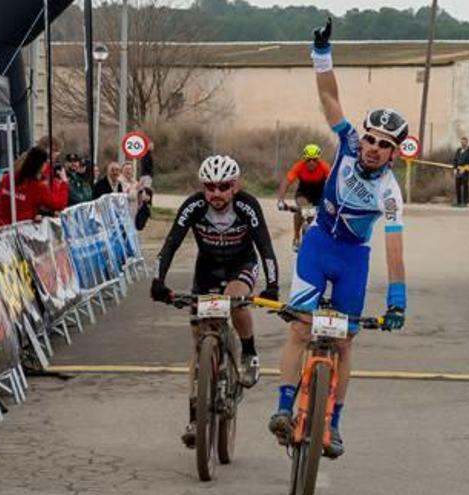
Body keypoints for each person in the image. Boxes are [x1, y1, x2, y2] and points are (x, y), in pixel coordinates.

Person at [268, 18, 407, 459]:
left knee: (345, 342)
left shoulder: (390, 193)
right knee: (299, 327)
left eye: (383, 144)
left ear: (395, 152)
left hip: (352, 258)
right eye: (369, 138)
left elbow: (394, 248)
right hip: (319, 243)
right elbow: (330, 97)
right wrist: (322, 52)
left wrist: (397, 300)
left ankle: (334, 422)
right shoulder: (346, 142)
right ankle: (285, 407)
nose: (371, 147)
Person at [150, 155, 280, 448]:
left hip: (241, 265)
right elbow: (170, 243)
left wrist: (272, 286)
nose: (216, 194)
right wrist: (158, 282)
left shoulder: (247, 206)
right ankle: (196, 416)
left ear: (234, 186)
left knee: (236, 300)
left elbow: (266, 248)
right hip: (206, 268)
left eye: (223, 187)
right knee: (199, 341)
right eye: (210, 187)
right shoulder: (194, 206)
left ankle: (249, 353)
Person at [0, 147, 69, 227]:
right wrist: (64, 182)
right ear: (42, 164)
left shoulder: (7, 178)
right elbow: (59, 204)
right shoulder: (38, 187)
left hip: (0, 228)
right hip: (20, 230)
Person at [276, 143, 332, 249]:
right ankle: (296, 238)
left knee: (312, 218)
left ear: (318, 160)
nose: (311, 163)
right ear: (304, 159)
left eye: (314, 160)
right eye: (308, 160)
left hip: (319, 195)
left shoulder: (325, 167)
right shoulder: (299, 166)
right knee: (304, 209)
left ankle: (313, 236)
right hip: (303, 194)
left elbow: (334, 184)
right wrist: (280, 200)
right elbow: (286, 183)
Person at [452, 136, 469, 207]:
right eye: (461, 142)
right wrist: (455, 169)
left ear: (467, 143)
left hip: (465, 172)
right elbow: (455, 160)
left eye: (464, 142)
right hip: (458, 170)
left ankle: (464, 202)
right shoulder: (458, 150)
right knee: (457, 186)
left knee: (465, 187)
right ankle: (458, 202)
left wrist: (464, 169)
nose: (462, 144)